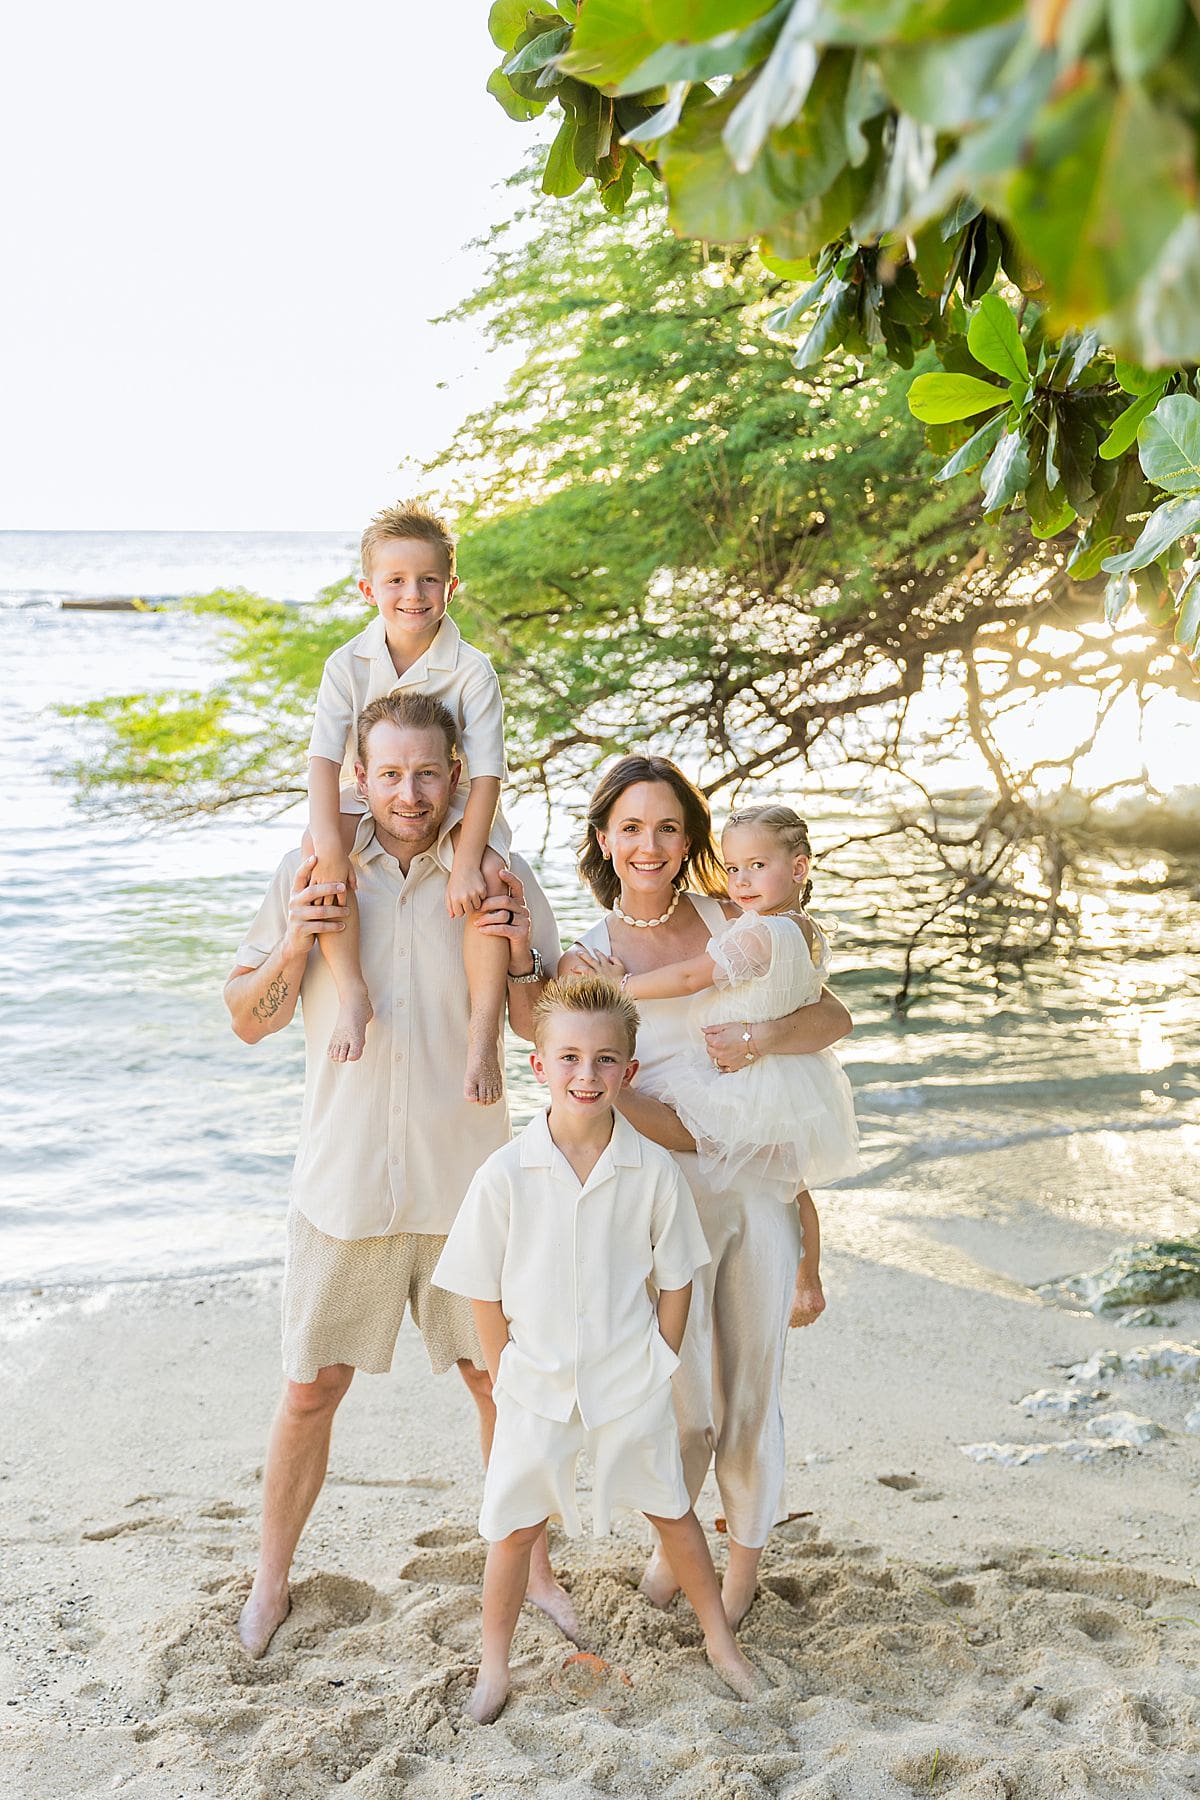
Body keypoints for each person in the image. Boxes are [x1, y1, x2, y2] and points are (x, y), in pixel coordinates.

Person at [224, 690, 571, 1660]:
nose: (409, 793)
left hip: (473, 1188)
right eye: (389, 774)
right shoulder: (312, 869)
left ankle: (533, 1568)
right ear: (359, 778)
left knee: (498, 1384)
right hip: (344, 1189)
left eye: (428, 773)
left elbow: (545, 1030)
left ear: (458, 774)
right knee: (309, 1390)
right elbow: (247, 1018)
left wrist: (527, 959)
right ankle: (271, 1578)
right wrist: (297, 938)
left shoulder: (501, 871)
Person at [559, 755, 852, 1629]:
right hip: (661, 1199)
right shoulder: (590, 958)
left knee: (750, 1393)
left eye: (668, 828)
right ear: (605, 841)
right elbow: (593, 1091)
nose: (649, 846)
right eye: (631, 828)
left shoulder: (738, 916)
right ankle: (673, 1543)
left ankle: (744, 1570)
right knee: (681, 1406)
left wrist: (764, 1036)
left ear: (691, 840)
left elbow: (832, 1018)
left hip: (756, 1191)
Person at [432, 977, 760, 1724]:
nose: (587, 1075)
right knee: (513, 1529)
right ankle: (493, 1665)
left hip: (627, 1381)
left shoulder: (652, 1172)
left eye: (606, 1060)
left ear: (629, 1072)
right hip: (536, 1384)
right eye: (570, 1058)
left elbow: (676, 1278)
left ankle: (719, 1642)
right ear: (539, 1066)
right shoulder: (506, 1174)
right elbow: (480, 1283)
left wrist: (661, 1361)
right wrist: (504, 1366)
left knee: (674, 1514)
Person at [305, 499, 510, 1101]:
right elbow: (323, 761)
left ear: (452, 586)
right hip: (367, 788)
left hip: (456, 793)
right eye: (395, 580)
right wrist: (331, 849)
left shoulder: (472, 670)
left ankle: (479, 1043)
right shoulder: (346, 663)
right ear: (370, 589)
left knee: (493, 880)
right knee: (320, 862)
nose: (412, 594)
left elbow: (490, 773)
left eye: (428, 580)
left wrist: (468, 860)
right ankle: (353, 994)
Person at [596, 803, 862, 1194]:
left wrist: (621, 987)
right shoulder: (808, 930)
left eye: (757, 865)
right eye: (733, 869)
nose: (741, 882)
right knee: (780, 1183)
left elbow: (690, 978)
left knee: (681, 1122)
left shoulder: (755, 935)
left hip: (745, 1077)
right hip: (791, 1078)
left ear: (798, 868)